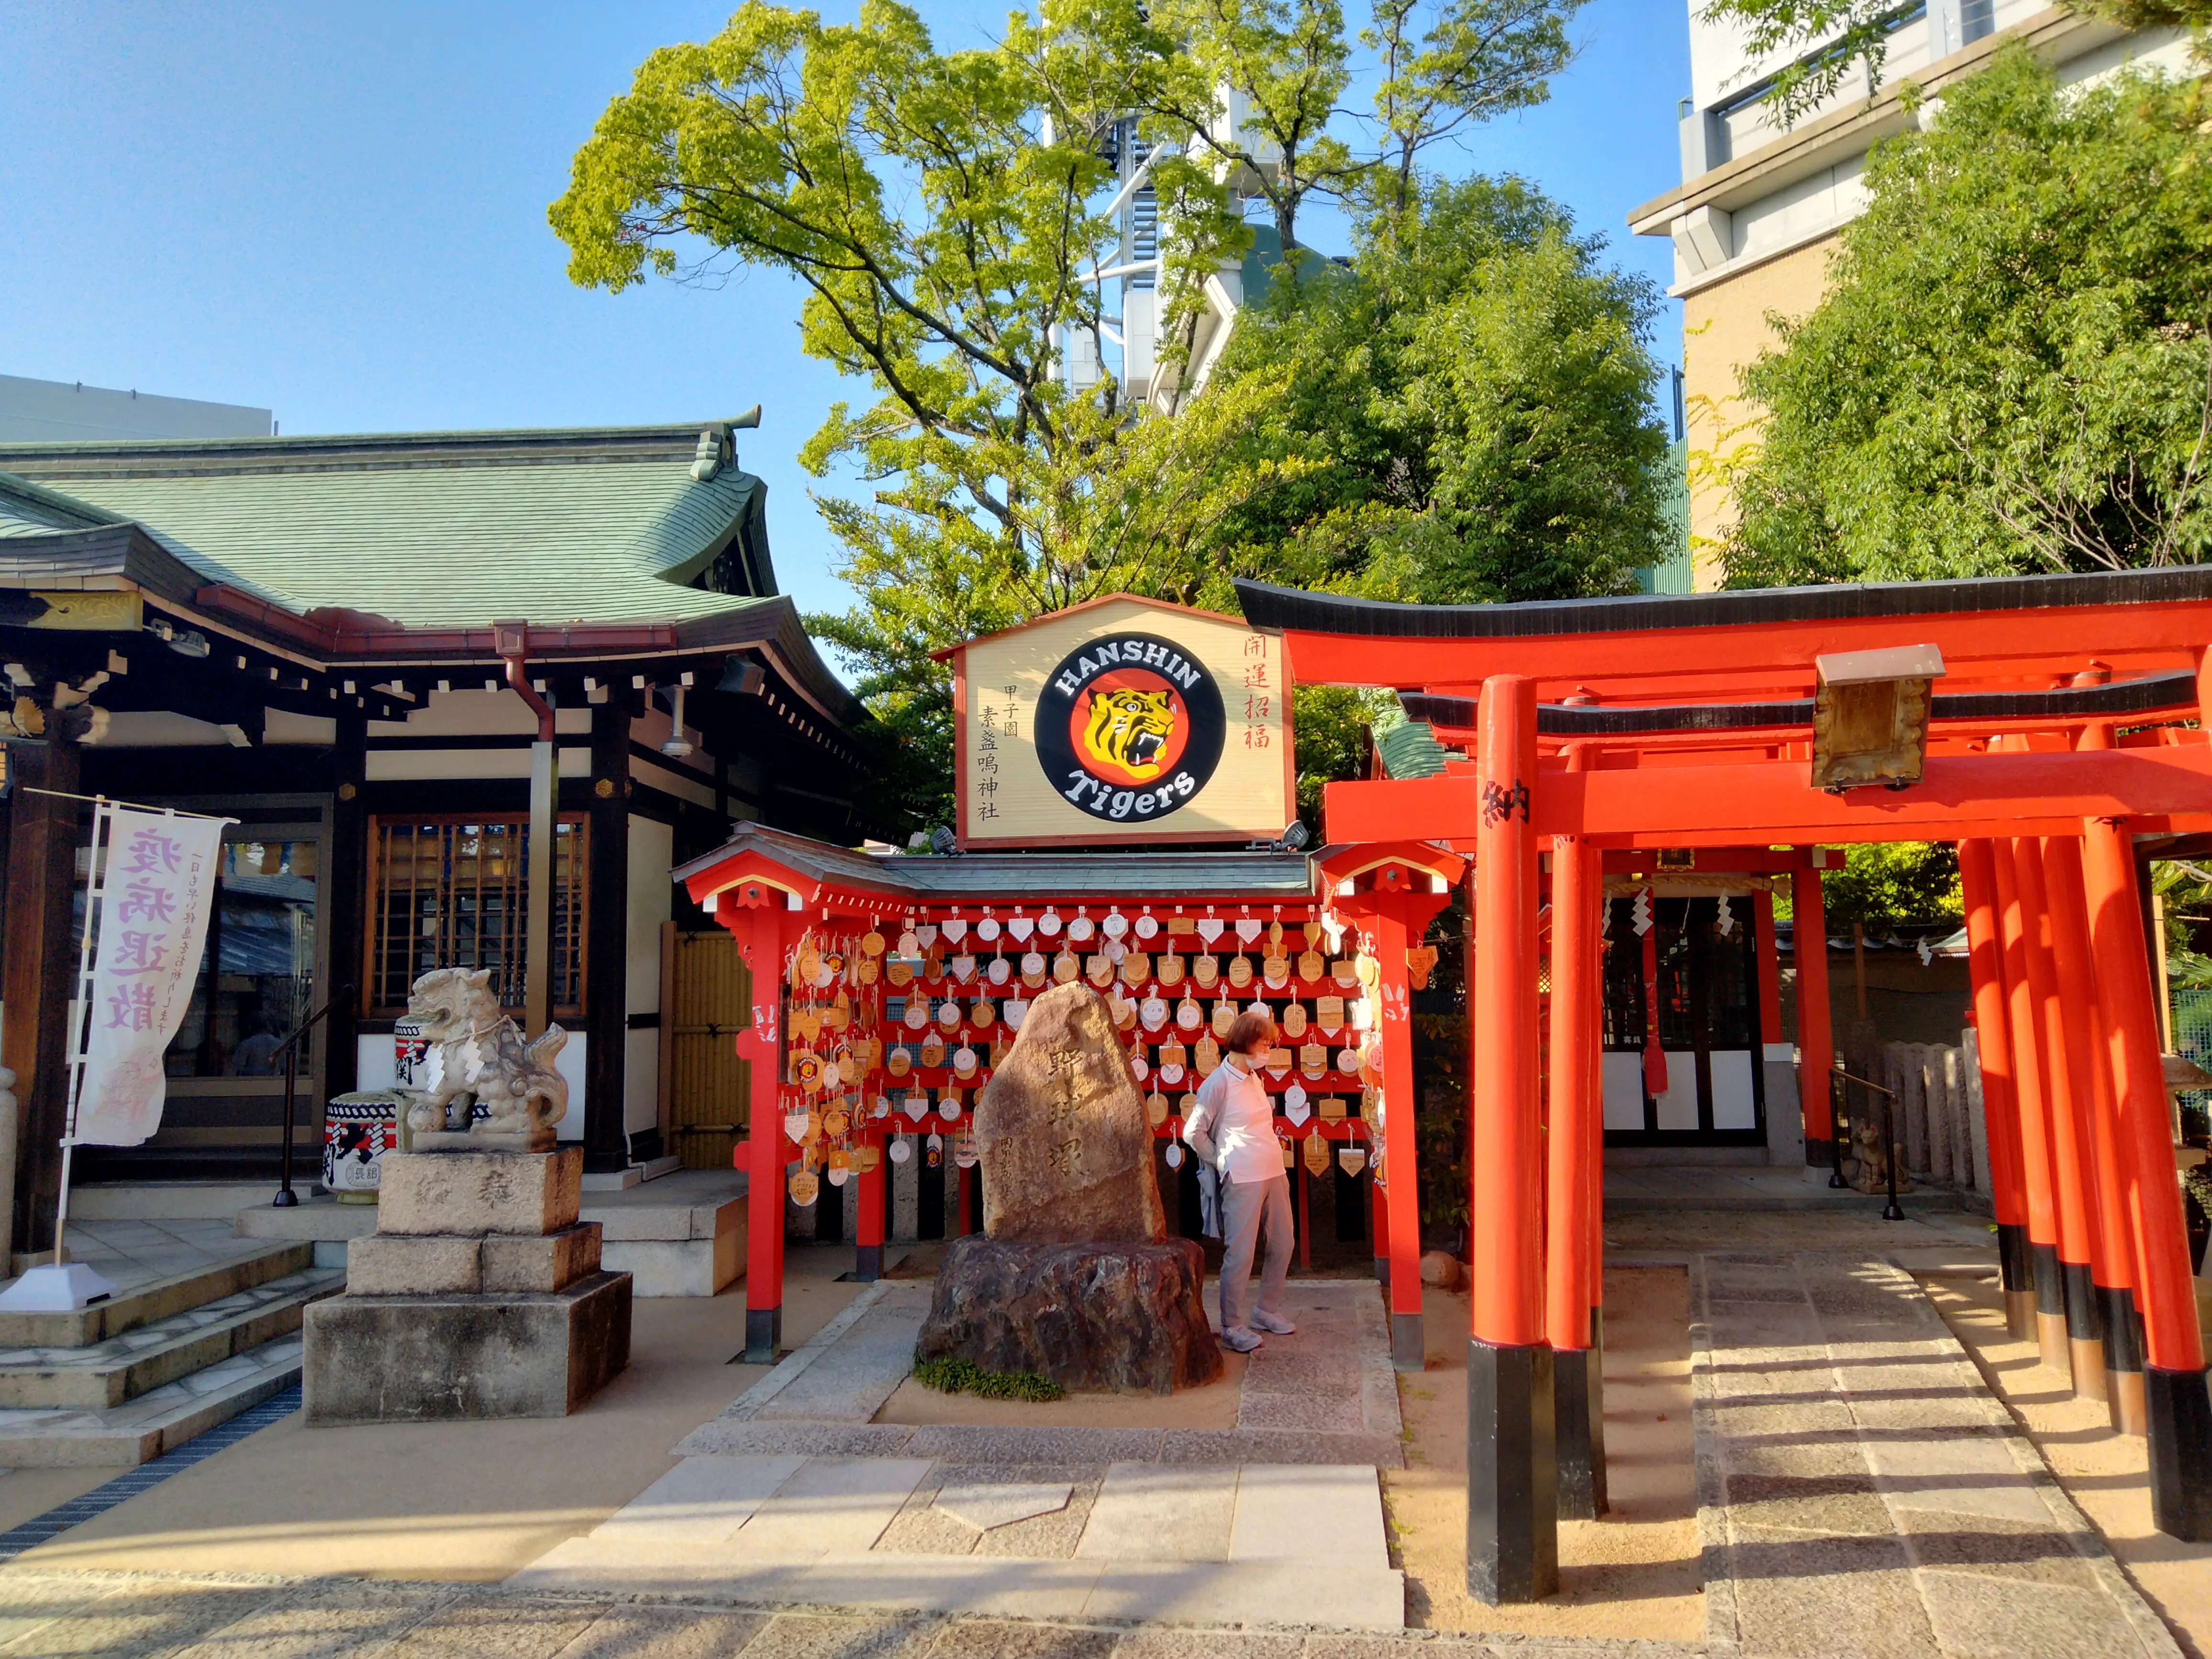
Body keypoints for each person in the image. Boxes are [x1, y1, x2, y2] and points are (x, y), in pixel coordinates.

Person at [1182, 1009, 1295, 1353]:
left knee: (1283, 1243)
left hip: (1274, 1171)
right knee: (1241, 1253)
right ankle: (1232, 1325)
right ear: (1246, 1042)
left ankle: (1267, 1309)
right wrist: (1221, 1160)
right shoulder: (1217, 1083)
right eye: (1265, 1044)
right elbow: (1193, 1132)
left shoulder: (1254, 1078)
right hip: (1242, 1177)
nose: (1269, 1050)